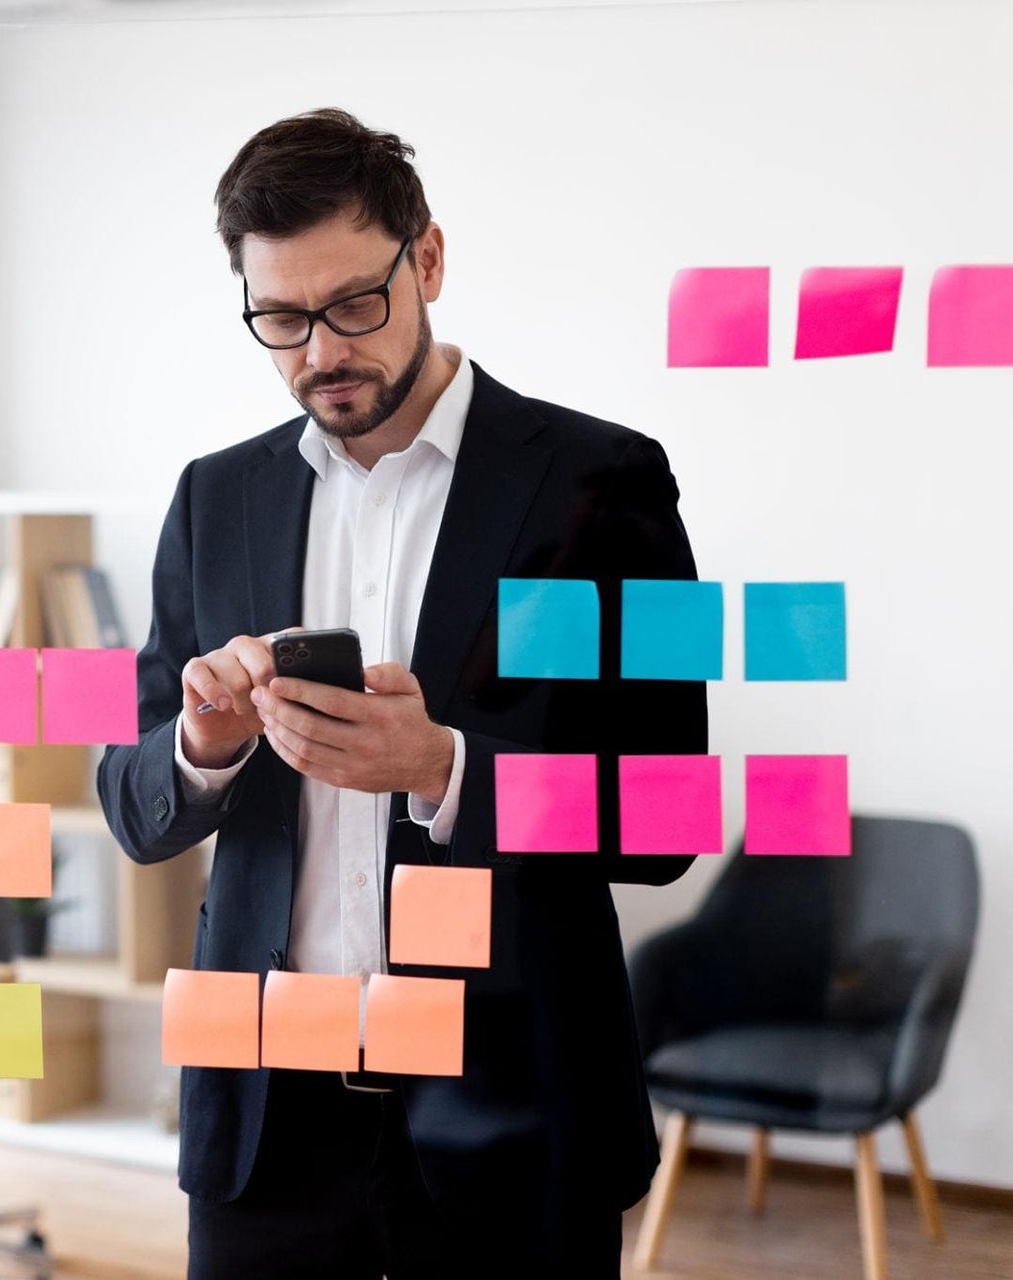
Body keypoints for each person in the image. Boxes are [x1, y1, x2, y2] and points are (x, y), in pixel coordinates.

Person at [97, 109, 707, 1278]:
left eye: (353, 305)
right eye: (280, 320)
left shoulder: (611, 482)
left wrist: (443, 769)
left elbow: (668, 818)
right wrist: (203, 743)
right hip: (265, 1122)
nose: (321, 350)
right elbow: (131, 801)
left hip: (515, 1112)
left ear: (427, 260)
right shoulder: (214, 498)